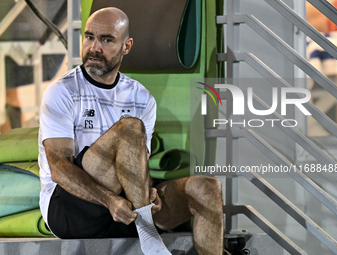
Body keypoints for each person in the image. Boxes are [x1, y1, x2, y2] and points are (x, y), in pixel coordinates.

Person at [38, 7, 224, 255]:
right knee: (129, 127)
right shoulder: (62, 91)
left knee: (207, 188)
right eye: (89, 37)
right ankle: (147, 230)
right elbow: (59, 168)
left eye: (106, 40)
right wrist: (109, 200)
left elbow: (138, 165)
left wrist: (149, 192)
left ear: (126, 46)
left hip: (127, 208)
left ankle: (146, 219)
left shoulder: (141, 97)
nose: (94, 47)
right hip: (72, 209)